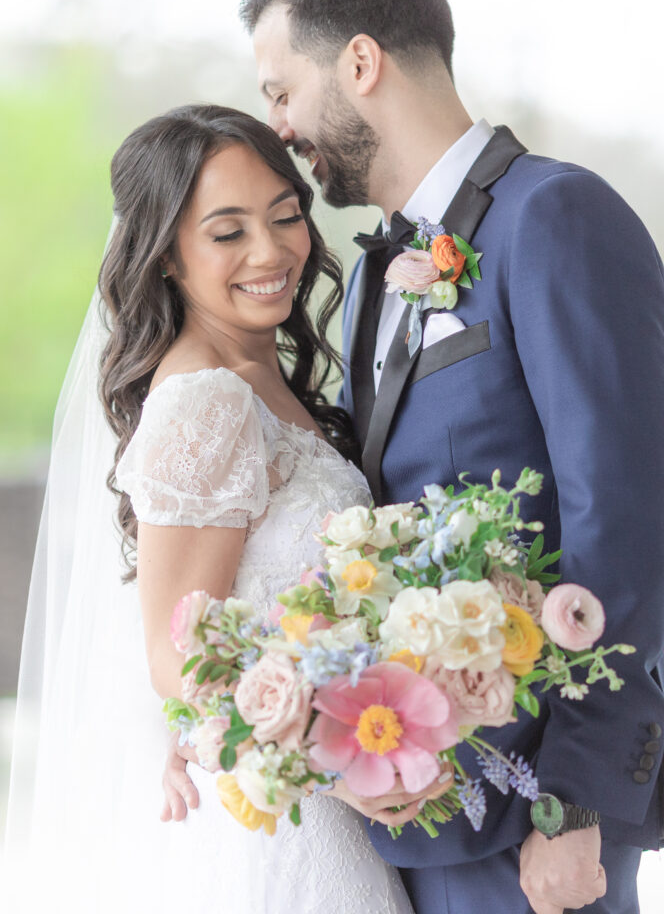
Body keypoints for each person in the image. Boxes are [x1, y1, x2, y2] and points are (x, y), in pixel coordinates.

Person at [162, 0, 664, 914]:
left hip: (531, 818)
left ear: (358, 63)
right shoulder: (368, 277)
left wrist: (571, 801)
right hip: (396, 808)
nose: (279, 126)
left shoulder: (556, 217)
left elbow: (621, 526)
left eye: (280, 90)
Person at [5, 103, 435, 913]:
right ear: (166, 254)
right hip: (283, 819)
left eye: (285, 216)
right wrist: (333, 764)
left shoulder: (263, 372)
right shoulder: (206, 399)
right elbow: (179, 656)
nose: (272, 252)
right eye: (228, 231)